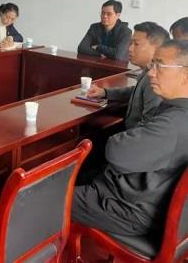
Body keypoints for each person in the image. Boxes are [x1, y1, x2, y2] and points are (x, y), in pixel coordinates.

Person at [72, 39, 188, 239]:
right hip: (151, 201)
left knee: (43, 200)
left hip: (127, 209)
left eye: (159, 66)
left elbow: (115, 153)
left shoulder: (172, 124)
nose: (151, 73)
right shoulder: (175, 112)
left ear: (185, 75)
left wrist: (123, 137)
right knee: (82, 175)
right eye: (152, 65)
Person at [87, 22, 169, 129]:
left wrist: (120, 138)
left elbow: (148, 126)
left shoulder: (155, 79)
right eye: (131, 43)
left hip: (136, 136)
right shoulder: (148, 70)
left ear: (157, 49)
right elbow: (136, 92)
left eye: (136, 44)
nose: (129, 48)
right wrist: (104, 92)